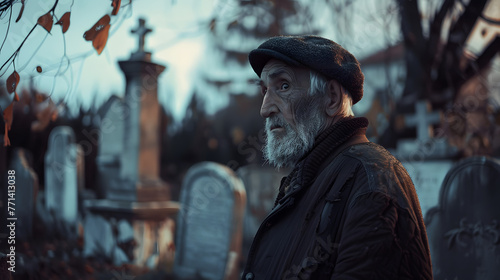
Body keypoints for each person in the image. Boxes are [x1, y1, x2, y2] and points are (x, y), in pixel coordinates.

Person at [242, 35, 433, 280]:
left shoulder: (372, 184)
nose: (265, 108)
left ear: (331, 98)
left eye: (284, 86)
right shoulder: (313, 177)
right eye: (265, 90)